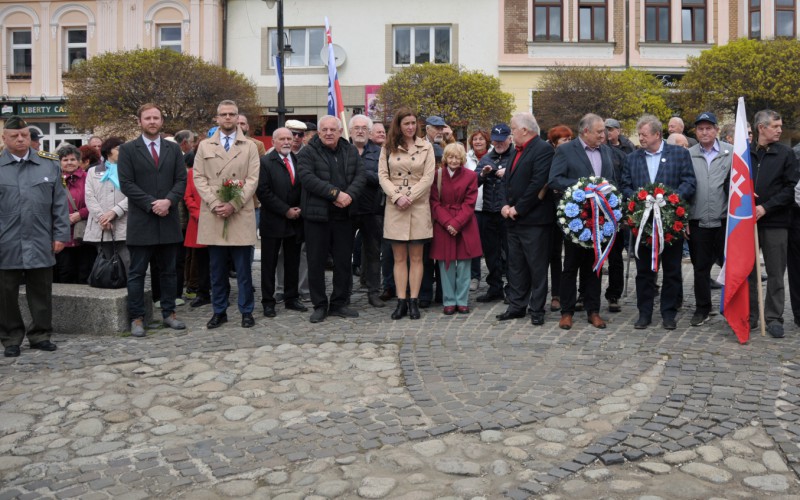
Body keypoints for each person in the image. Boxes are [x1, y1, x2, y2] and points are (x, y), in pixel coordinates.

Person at [0, 116, 69, 357]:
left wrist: (61, 234)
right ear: (4, 138)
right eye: (15, 136)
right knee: (5, 293)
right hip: (6, 241)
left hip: (41, 239)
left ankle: (40, 335)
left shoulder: (49, 164)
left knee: (41, 290)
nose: (21, 139)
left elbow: (59, 204)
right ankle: (11, 338)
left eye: (25, 135)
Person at [621, 115, 696, 330]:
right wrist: (639, 199)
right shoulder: (632, 158)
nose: (641, 138)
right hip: (643, 224)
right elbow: (625, 185)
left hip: (670, 225)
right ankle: (644, 313)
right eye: (640, 135)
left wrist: (670, 200)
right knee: (644, 271)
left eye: (644, 134)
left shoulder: (679, 154)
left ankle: (668, 313)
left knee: (672, 270)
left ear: (657, 134)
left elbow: (689, 181)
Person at [118, 103, 187, 337]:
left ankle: (169, 313)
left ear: (162, 121)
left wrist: (168, 201)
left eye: (156, 117)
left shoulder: (173, 149)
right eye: (147, 118)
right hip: (142, 221)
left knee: (169, 271)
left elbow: (181, 180)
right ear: (140, 121)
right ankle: (137, 318)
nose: (152, 121)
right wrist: (151, 203)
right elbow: (126, 184)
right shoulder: (128, 149)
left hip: (168, 219)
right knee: (137, 273)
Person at [194, 100, 260, 329]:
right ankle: (219, 310)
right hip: (214, 213)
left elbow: (252, 179)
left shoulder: (250, 146)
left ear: (237, 117)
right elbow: (198, 178)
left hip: (239, 211)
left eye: (232, 114)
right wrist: (214, 203)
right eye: (224, 114)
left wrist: (234, 203)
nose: (228, 118)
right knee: (217, 269)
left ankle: (246, 311)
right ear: (217, 118)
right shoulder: (204, 146)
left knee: (243, 269)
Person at [549, 114, 617, 330]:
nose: (603, 135)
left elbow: (611, 181)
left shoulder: (606, 151)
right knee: (570, 265)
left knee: (595, 265)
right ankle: (567, 311)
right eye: (599, 131)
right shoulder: (566, 150)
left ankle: (593, 310)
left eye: (604, 131)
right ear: (585, 131)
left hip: (599, 219)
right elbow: (554, 180)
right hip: (575, 219)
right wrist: (584, 187)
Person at [297, 115, 366, 323]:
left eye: (332, 130)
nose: (328, 133)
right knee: (316, 262)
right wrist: (336, 194)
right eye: (324, 130)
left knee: (343, 262)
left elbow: (360, 177)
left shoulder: (350, 150)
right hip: (317, 217)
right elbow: (307, 178)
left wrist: (348, 196)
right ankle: (319, 305)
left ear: (340, 132)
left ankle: (339, 303)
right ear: (318, 133)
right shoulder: (308, 152)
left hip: (344, 216)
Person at [496, 112, 555, 326]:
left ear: (524, 130)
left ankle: (537, 308)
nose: (510, 133)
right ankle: (517, 305)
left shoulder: (543, 149)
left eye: (512, 129)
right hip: (513, 220)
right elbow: (506, 181)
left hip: (534, 220)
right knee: (516, 265)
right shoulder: (516, 151)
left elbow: (538, 183)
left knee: (537, 267)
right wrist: (504, 205)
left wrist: (518, 209)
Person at [379, 107, 436, 320]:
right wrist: (396, 196)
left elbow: (428, 177)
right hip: (396, 206)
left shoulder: (426, 147)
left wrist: (409, 196)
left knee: (417, 257)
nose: (411, 127)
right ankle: (400, 301)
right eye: (406, 124)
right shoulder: (388, 147)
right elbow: (383, 176)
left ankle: (414, 301)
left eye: (413, 123)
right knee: (399, 258)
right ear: (399, 125)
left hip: (418, 205)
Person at [748, 110, 800, 338]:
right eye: (775, 126)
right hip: (747, 223)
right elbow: (731, 183)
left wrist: (765, 207)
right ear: (762, 128)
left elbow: (791, 189)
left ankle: (773, 317)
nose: (780, 129)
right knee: (748, 272)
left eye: (780, 125)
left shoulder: (786, 154)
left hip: (776, 221)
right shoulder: (744, 153)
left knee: (776, 272)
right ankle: (750, 315)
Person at [686, 112, 732, 327]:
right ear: (696, 131)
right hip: (697, 220)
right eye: (700, 128)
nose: (704, 132)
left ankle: (733, 308)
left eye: (708, 128)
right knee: (700, 268)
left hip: (725, 221)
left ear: (716, 130)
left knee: (731, 267)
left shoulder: (730, 153)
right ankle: (702, 308)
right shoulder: (689, 154)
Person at [257, 127, 307, 317]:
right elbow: (263, 191)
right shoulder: (265, 162)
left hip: (295, 221)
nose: (287, 141)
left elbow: (303, 187)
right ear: (274, 142)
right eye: (283, 139)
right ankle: (268, 301)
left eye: (290, 138)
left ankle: (291, 298)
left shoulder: (298, 160)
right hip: (274, 221)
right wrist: (285, 210)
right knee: (269, 263)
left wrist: (299, 208)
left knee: (293, 262)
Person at [430, 142, 482, 314]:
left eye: (457, 157)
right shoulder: (437, 175)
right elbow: (434, 202)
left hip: (464, 224)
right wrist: (447, 223)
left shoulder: (470, 176)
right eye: (450, 157)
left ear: (462, 159)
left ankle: (462, 299)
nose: (453, 160)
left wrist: (457, 223)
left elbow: (470, 203)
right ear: (445, 158)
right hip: (443, 224)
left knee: (464, 265)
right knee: (446, 264)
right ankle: (449, 300)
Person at [349, 114, 385, 307]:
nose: (360, 131)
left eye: (364, 128)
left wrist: (359, 173)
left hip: (372, 209)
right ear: (351, 131)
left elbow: (382, 177)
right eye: (357, 128)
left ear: (370, 132)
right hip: (346, 209)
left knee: (373, 252)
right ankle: (343, 292)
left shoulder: (379, 152)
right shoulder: (343, 149)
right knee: (343, 252)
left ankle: (373, 292)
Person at [475, 124, 513, 303]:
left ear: (509, 139)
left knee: (511, 253)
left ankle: (512, 288)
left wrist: (509, 173)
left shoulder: (515, 156)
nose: (498, 143)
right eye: (496, 141)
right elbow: (472, 184)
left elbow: (525, 179)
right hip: (488, 212)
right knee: (491, 253)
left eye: (502, 140)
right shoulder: (486, 158)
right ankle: (495, 287)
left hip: (508, 213)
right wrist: (482, 174)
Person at [83, 137, 130, 272]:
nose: (122, 152)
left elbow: (133, 195)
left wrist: (115, 212)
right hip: (102, 225)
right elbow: (89, 196)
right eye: (118, 149)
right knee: (106, 266)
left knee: (128, 263)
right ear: (108, 151)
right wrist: (102, 217)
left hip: (124, 223)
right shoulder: (93, 171)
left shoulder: (130, 170)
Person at [54, 144, 94, 284]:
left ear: (79, 161)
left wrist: (81, 214)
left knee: (85, 272)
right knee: (65, 272)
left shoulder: (89, 178)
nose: (69, 162)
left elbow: (97, 202)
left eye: (72, 159)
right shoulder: (55, 179)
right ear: (59, 162)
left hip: (84, 234)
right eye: (65, 160)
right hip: (62, 235)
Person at [546, 125, 574, 312]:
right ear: (555, 143)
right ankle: (555, 294)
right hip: (549, 209)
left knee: (572, 255)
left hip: (570, 208)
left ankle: (568, 293)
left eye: (570, 139)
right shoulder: (548, 157)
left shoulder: (573, 157)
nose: (568, 143)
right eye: (564, 140)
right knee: (553, 254)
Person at [183, 137, 211, 309]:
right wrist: (197, 213)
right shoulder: (192, 173)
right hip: (199, 221)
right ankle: (203, 292)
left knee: (219, 259)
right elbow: (188, 196)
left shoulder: (220, 170)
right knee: (200, 260)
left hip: (218, 219)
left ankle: (221, 289)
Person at [467, 130, 490, 292]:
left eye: (481, 139)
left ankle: (495, 276)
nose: (478, 141)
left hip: (490, 207)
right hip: (473, 208)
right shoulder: (466, 158)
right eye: (475, 139)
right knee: (473, 245)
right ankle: (474, 276)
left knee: (491, 245)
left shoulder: (493, 156)